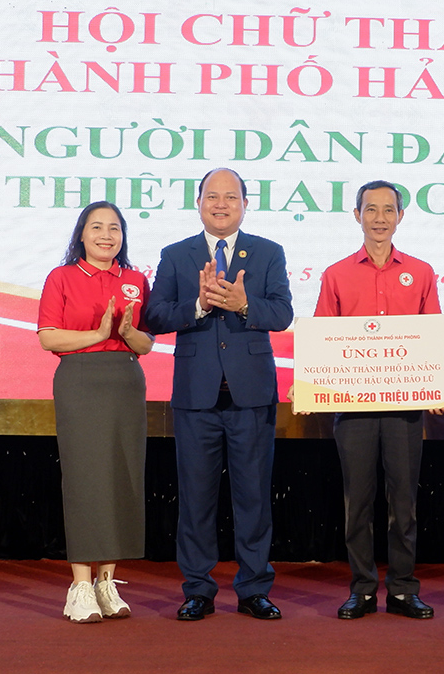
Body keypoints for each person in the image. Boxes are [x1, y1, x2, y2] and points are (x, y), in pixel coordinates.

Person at [145, 167, 293, 622]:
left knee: (253, 498)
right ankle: (198, 590)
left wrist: (243, 304)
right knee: (196, 499)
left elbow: (283, 313)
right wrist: (198, 305)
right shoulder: (176, 255)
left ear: (245, 204)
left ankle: (254, 589)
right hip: (196, 396)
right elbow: (155, 315)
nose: (221, 204)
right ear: (199, 203)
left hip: (251, 396)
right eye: (213, 196)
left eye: (231, 197)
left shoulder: (268, 252)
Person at [313, 180, 444, 620]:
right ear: (357, 216)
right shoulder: (336, 274)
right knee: (359, 503)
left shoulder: (421, 272)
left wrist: (437, 385)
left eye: (389, 209)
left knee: (404, 503)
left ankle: (403, 589)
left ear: (400, 217)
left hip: (405, 408)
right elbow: (323, 338)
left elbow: (431, 336)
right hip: (353, 408)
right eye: (371, 209)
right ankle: (363, 589)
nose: (380, 218)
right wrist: (310, 381)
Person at [37, 200, 154, 623]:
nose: (106, 235)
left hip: (125, 380)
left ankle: (107, 581)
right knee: (86, 478)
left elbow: (146, 344)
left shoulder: (136, 280)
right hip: (81, 379)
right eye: (97, 227)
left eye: (114, 228)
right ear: (82, 235)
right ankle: (80, 585)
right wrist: (98, 333)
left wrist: (127, 332)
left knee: (121, 475)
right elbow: (48, 338)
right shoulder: (62, 277)